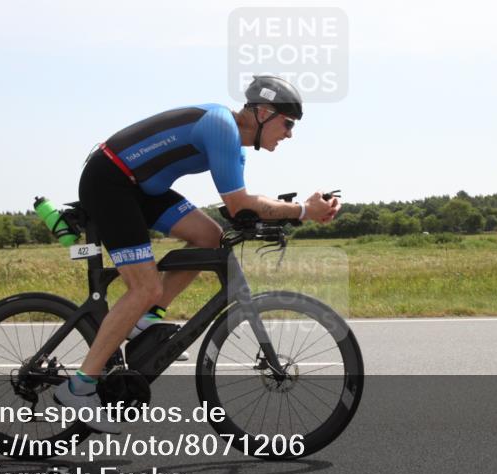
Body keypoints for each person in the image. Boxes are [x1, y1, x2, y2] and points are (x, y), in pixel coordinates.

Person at [53, 75, 341, 432]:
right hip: (110, 182)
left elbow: (242, 208)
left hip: (140, 188)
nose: (290, 134)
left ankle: (145, 320)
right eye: (288, 123)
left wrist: (291, 215)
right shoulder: (221, 126)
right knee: (144, 287)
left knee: (209, 237)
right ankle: (79, 389)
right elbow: (238, 204)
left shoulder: (234, 145)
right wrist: (302, 211)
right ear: (264, 112)